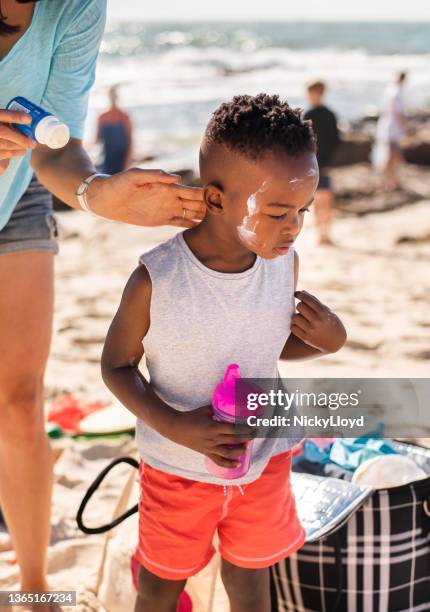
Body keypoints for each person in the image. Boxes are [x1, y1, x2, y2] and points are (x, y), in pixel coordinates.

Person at [101, 93, 347, 612]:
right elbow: (117, 367)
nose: (294, 227)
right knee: (162, 584)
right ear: (215, 200)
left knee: (251, 578)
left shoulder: (282, 263)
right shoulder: (157, 278)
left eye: (302, 210)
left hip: (264, 458)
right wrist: (175, 425)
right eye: (278, 212)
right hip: (177, 468)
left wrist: (326, 343)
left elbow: (270, 342)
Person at [0, 0, 203, 601]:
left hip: (17, 199)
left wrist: (99, 196)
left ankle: (34, 586)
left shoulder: (75, 6)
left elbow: (55, 148)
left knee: (18, 401)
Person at [303, 80, 340, 245]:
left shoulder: (309, 115)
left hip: (313, 164)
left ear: (316, 93)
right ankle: (324, 234)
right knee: (325, 199)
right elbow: (337, 140)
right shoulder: (330, 114)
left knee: (319, 200)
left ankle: (322, 234)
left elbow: (302, 142)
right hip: (325, 163)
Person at [374, 71, 408, 191]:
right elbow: (398, 113)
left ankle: (391, 180)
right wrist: (404, 128)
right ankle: (388, 181)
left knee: (393, 156)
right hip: (392, 129)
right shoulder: (396, 92)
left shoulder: (390, 90)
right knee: (392, 157)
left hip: (388, 128)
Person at [96, 85, 133, 174]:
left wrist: (127, 160)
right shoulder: (102, 117)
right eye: (111, 96)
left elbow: (130, 141)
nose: (113, 98)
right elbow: (97, 140)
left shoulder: (124, 117)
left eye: (114, 96)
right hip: (106, 159)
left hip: (121, 159)